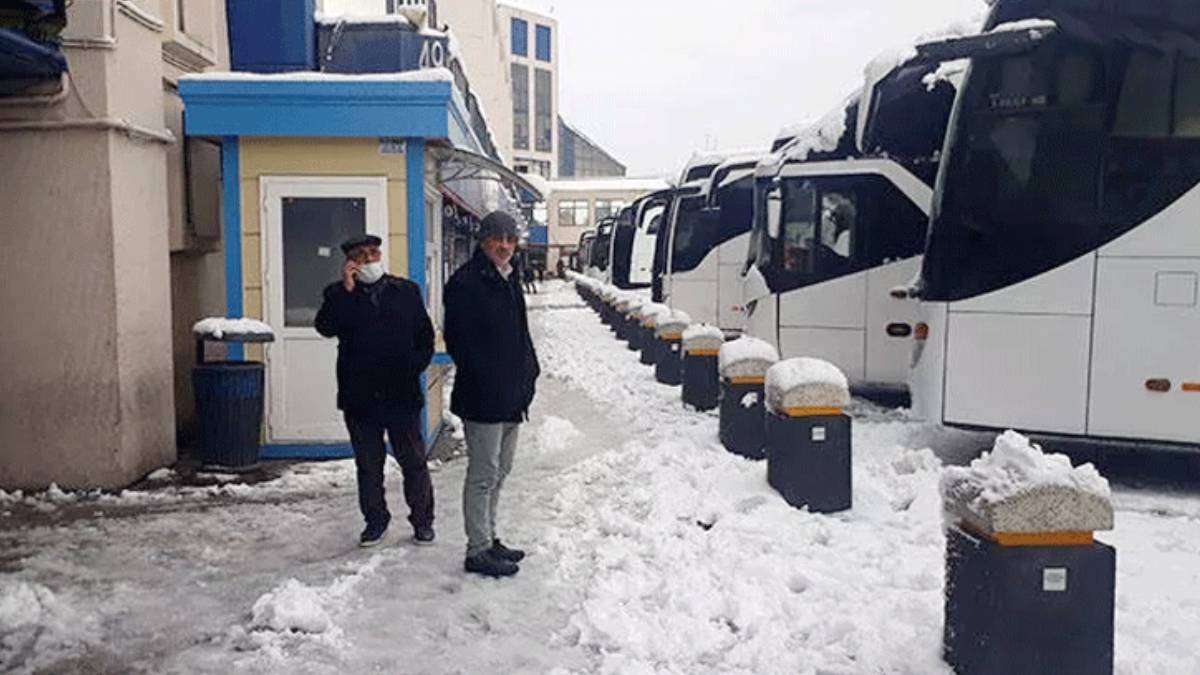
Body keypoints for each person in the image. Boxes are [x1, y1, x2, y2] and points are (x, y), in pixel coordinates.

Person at [315, 235, 436, 548]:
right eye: (362, 256)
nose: (370, 260)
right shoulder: (338, 294)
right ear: (351, 262)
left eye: (373, 253)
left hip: (401, 393)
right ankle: (375, 521)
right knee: (369, 465)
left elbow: (424, 335)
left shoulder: (406, 291)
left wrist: (413, 366)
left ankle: (422, 521)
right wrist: (347, 291)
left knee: (414, 461)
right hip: (361, 397)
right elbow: (325, 327)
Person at [444, 212, 541, 578]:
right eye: (497, 239)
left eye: (510, 239)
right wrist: (491, 378)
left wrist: (530, 372)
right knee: (483, 474)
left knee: (501, 471)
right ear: (483, 241)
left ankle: (490, 536)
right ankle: (477, 549)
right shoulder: (466, 283)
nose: (504, 245)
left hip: (512, 396)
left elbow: (520, 333)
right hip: (483, 398)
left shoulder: (508, 277)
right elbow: (460, 344)